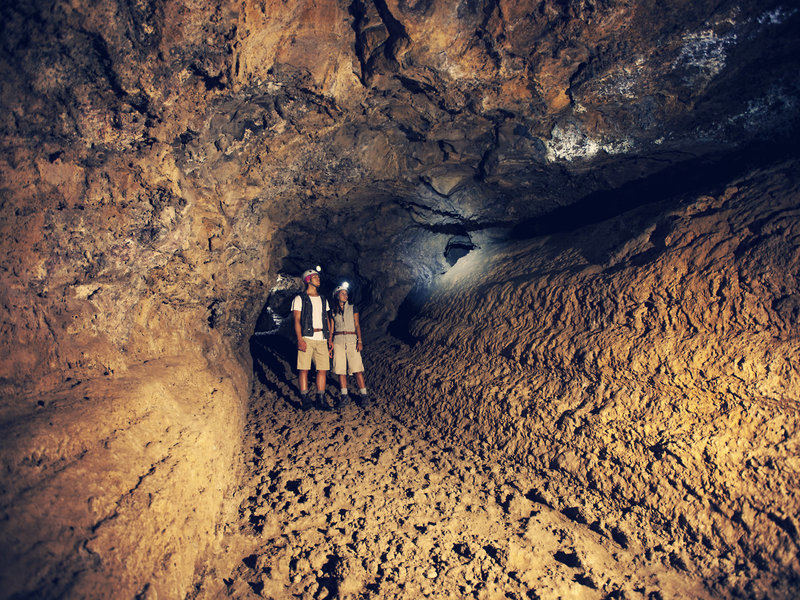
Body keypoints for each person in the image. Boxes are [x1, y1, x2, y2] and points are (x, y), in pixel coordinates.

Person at [291, 269, 332, 410]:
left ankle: (321, 399)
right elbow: (296, 320)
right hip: (307, 337)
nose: (318, 279)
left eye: (318, 277)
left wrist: (329, 338)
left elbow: (327, 319)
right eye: (315, 277)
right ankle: (305, 400)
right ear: (308, 280)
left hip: (322, 338)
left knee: (322, 369)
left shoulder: (323, 299)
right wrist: (299, 339)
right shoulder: (299, 299)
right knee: (304, 369)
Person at [329, 284, 368, 408]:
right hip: (338, 341)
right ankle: (344, 396)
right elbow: (331, 329)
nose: (345, 295)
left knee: (357, 369)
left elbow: (357, 325)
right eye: (342, 293)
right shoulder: (332, 311)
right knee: (340, 370)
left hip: (351, 340)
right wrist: (330, 342)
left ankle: (364, 396)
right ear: (337, 296)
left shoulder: (352, 308)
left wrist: (359, 341)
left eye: (346, 293)